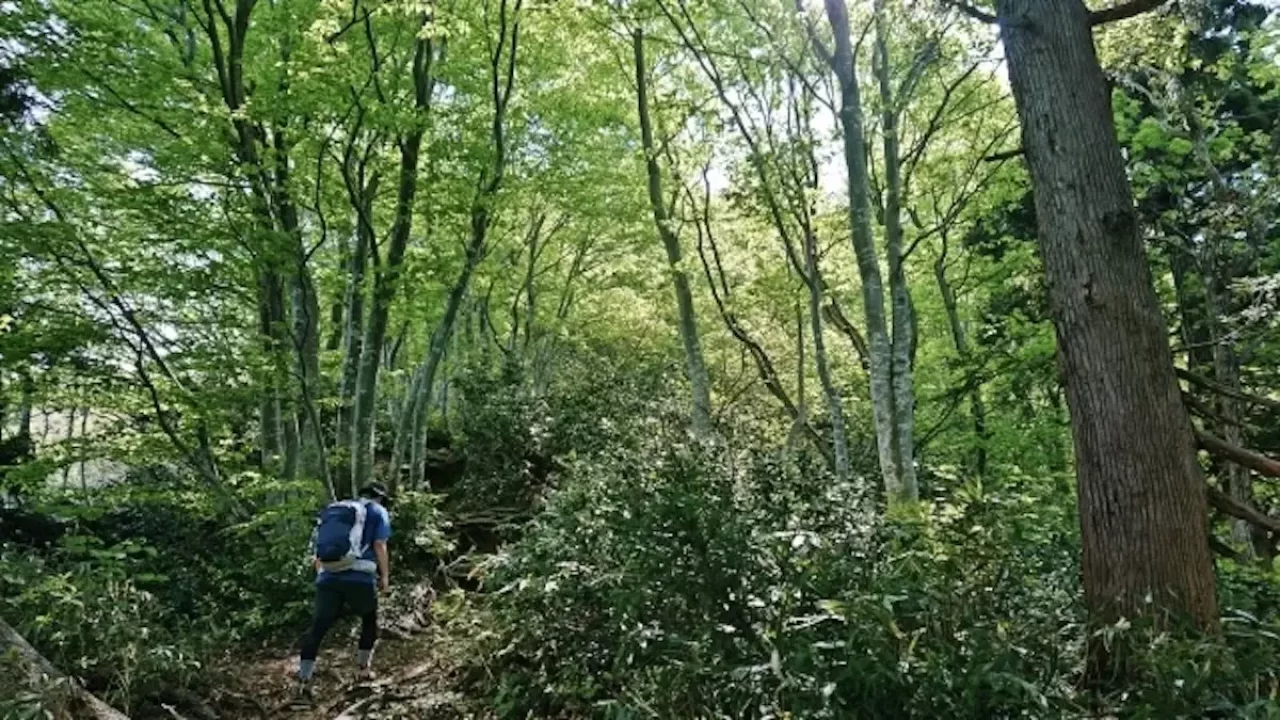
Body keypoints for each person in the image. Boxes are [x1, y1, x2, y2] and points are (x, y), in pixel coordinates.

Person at [295, 483, 391, 703]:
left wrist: (322, 574)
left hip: (328, 577)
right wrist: (384, 577)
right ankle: (363, 671)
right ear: (379, 498)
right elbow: (379, 544)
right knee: (369, 620)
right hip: (360, 577)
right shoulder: (377, 511)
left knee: (317, 629)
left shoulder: (333, 511)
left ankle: (303, 682)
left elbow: (317, 551)